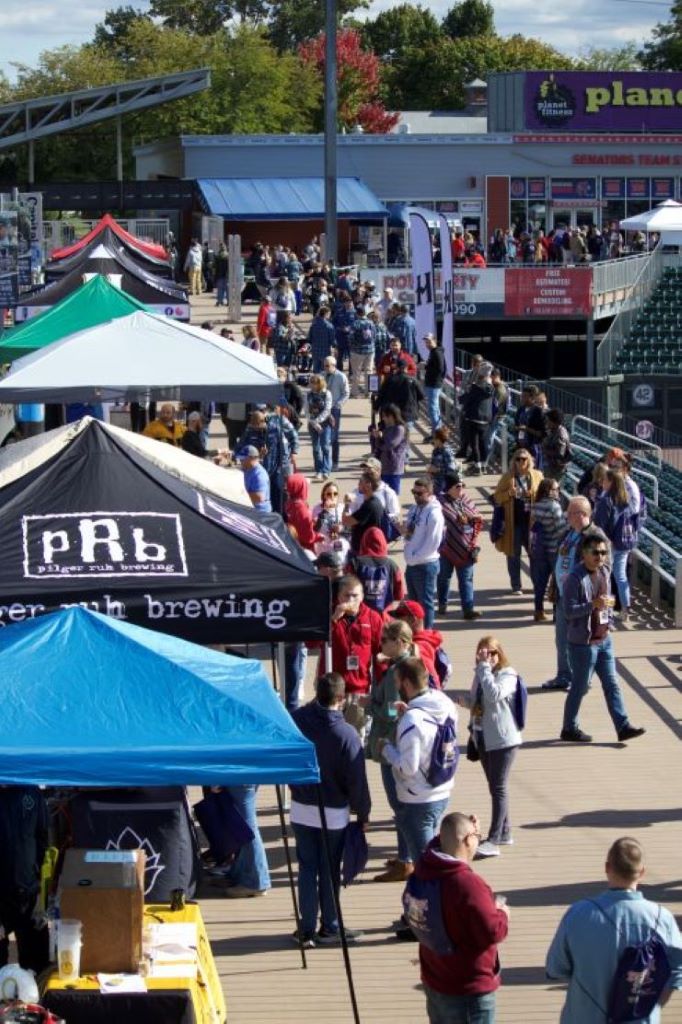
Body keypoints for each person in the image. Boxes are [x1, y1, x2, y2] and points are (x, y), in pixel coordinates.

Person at [546, 836, 682, 1023]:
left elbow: (556, 969)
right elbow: (677, 970)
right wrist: (655, 1005)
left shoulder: (577, 914)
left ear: (607, 868)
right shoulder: (661, 918)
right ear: (641, 872)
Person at [290, 672, 371, 947]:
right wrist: (363, 813)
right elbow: (357, 780)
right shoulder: (346, 734)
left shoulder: (297, 721)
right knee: (329, 870)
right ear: (341, 697)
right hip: (333, 813)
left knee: (306, 868)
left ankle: (306, 928)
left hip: (301, 807)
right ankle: (330, 926)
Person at [411, 811, 510, 1024]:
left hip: (435, 977)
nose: (478, 840)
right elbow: (492, 930)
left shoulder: (425, 866)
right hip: (466, 989)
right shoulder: (468, 885)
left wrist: (464, 829)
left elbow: (445, 839)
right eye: (477, 836)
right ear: (467, 841)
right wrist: (502, 913)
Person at [560, 530, 646, 744]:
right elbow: (568, 612)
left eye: (603, 552)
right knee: (580, 687)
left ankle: (623, 726)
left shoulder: (605, 571)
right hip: (583, 644)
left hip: (604, 639)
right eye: (595, 552)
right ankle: (569, 728)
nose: (600, 556)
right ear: (584, 553)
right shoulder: (574, 579)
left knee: (612, 684)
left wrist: (609, 611)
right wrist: (593, 605)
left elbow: (607, 601)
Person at [377, 658, 458, 872]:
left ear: (406, 683)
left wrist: (386, 748)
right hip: (442, 789)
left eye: (397, 681)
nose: (396, 686)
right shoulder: (444, 703)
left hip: (418, 798)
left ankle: (430, 894)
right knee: (433, 857)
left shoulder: (411, 721)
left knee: (425, 868)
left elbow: (408, 768)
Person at [460, 637, 522, 859]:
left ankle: (494, 840)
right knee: (495, 786)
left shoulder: (508, 674)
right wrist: (466, 702)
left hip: (504, 740)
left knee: (499, 788)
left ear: (500, 653)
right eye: (483, 653)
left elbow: (494, 695)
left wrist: (484, 668)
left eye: (492, 653)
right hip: (483, 737)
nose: (488, 657)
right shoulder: (481, 673)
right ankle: (505, 832)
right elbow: (480, 701)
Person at [367, 620, 416, 883]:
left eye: (385, 639)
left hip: (392, 743)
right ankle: (404, 855)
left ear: (400, 642)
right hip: (401, 741)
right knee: (401, 805)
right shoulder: (407, 665)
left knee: (399, 806)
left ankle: (406, 860)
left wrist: (368, 705)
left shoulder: (397, 671)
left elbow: (390, 711)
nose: (381, 643)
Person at [542, 496, 598, 692]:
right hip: (562, 596)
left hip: (581, 599)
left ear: (582, 514)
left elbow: (601, 568)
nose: (567, 516)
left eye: (571, 513)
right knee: (562, 640)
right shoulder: (569, 533)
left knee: (581, 641)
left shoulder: (594, 537)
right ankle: (564, 675)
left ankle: (582, 680)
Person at [0, 785, 49, 972]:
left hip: (28, 891)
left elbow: (42, 837)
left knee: (36, 964)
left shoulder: (32, 792)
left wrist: (35, 875)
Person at [327, 575, 384, 712]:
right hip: (331, 687)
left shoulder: (373, 617)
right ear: (338, 597)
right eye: (346, 595)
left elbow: (380, 653)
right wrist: (334, 619)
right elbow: (312, 643)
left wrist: (382, 687)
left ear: (362, 597)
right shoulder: (328, 614)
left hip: (359, 687)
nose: (351, 600)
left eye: (355, 595)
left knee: (356, 724)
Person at [492, 448, 543, 595]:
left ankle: (537, 583)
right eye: (518, 459)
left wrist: (533, 494)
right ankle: (516, 586)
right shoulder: (507, 477)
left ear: (529, 460)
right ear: (513, 461)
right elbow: (496, 497)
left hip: (532, 523)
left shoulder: (537, 475)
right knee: (513, 555)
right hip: (513, 523)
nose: (521, 462)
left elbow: (545, 494)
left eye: (524, 459)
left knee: (535, 555)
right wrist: (509, 493)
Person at [594, 469, 640, 626]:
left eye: (605, 480)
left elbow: (600, 526)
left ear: (611, 482)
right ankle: (625, 609)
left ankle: (607, 615)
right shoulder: (625, 498)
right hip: (625, 542)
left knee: (605, 579)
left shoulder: (606, 500)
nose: (602, 483)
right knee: (620, 576)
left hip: (609, 544)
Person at [437, 471, 483, 620]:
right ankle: (442, 605)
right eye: (457, 486)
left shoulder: (465, 499)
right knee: (444, 578)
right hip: (446, 547)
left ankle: (468, 610)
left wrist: (470, 518)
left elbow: (477, 517)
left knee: (466, 579)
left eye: (462, 485)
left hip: (467, 547)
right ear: (449, 488)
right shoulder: (440, 503)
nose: (461, 489)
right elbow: (441, 521)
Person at [401, 477, 445, 630]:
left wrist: (415, 556)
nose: (416, 496)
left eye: (419, 493)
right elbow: (410, 531)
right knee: (412, 604)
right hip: (412, 563)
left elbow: (433, 542)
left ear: (429, 493)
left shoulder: (434, 514)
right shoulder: (415, 508)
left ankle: (426, 634)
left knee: (425, 603)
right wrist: (404, 531)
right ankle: (414, 633)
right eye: (414, 492)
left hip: (426, 564)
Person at [529, 478, 567, 622]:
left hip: (540, 549)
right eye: (556, 489)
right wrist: (568, 522)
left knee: (541, 583)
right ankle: (557, 615)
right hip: (554, 549)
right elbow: (561, 530)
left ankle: (538, 611)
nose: (558, 492)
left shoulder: (536, 506)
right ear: (548, 491)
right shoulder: (554, 506)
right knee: (557, 582)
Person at [347, 526, 405, 614]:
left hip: (360, 614)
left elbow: (346, 587)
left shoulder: (355, 563)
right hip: (385, 614)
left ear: (364, 542)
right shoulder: (392, 565)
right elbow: (399, 594)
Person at [460, 361, 494, 475]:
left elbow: (466, 399)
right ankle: (484, 466)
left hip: (474, 417)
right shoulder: (491, 388)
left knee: (474, 444)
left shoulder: (475, 387)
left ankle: (477, 466)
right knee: (482, 443)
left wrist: (461, 399)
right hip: (486, 419)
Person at [343, 469, 385, 553]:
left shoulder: (369, 505)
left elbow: (346, 521)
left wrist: (347, 504)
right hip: (366, 548)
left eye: (361, 481)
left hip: (364, 551)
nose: (358, 484)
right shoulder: (375, 501)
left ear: (368, 485)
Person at [371, 404, 409, 496]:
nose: (383, 418)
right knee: (382, 493)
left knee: (392, 494)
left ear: (392, 416)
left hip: (394, 467)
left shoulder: (399, 429)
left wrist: (381, 437)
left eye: (385, 416)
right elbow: (379, 446)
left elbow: (390, 445)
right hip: (384, 466)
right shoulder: (387, 428)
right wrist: (377, 437)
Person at [323, 355, 349, 473]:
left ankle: (335, 462)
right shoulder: (322, 375)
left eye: (328, 366)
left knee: (334, 437)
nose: (326, 368)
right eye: (325, 366)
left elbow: (346, 393)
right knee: (323, 437)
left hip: (334, 409)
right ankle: (325, 463)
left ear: (334, 365)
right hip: (323, 409)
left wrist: (337, 405)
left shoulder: (341, 376)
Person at [285, 473, 322, 553]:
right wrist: (319, 536)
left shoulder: (290, 502)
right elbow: (308, 537)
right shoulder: (301, 509)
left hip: (294, 542)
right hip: (305, 548)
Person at [306, 374, 333, 481]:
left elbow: (327, 410)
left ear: (320, 383)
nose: (312, 385)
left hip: (324, 423)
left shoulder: (327, 394)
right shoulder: (308, 394)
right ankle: (318, 470)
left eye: (314, 383)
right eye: (311, 382)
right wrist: (313, 423)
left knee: (325, 446)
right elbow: (306, 410)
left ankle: (326, 470)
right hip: (312, 423)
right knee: (316, 448)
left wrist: (318, 421)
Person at [423, 334, 446, 441]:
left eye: (429, 342)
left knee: (432, 409)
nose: (427, 344)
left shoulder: (436, 352)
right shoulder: (434, 352)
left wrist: (426, 367)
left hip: (434, 384)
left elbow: (440, 369)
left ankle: (436, 434)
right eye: (426, 342)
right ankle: (438, 431)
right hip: (432, 383)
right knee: (435, 409)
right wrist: (427, 366)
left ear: (435, 341)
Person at [349, 306, 376, 398]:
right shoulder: (371, 323)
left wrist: (352, 346)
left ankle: (355, 392)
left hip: (357, 351)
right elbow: (374, 336)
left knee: (356, 372)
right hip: (370, 350)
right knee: (369, 371)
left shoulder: (355, 323)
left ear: (357, 314)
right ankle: (368, 392)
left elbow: (351, 337)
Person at [542, 408, 571, 482]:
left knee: (551, 486)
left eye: (548, 420)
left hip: (556, 469)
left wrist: (545, 451)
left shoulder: (560, 434)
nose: (547, 422)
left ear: (555, 422)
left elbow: (560, 453)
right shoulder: (553, 430)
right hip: (551, 465)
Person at [428, 426, 459, 496]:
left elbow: (451, 469)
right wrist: (430, 471)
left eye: (434, 438)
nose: (433, 441)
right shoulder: (436, 450)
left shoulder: (447, 451)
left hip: (444, 484)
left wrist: (437, 469)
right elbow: (433, 463)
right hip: (435, 482)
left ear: (439, 440)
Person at [240, 446, 272, 513]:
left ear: (251, 459)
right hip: (250, 509)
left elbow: (259, 497)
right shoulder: (247, 469)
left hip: (260, 513)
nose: (240, 461)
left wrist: (241, 495)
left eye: (242, 459)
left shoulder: (260, 475)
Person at [307, 305, 335, 373]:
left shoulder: (314, 324)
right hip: (325, 351)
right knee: (325, 370)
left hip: (315, 350)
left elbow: (309, 338)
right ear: (326, 314)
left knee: (316, 370)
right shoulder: (329, 326)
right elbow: (332, 340)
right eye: (329, 314)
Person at [214, 242, 228, 306]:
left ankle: (219, 301)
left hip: (219, 274)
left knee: (220, 289)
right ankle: (228, 301)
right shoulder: (228, 255)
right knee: (227, 289)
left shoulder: (218, 256)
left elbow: (215, 266)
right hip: (227, 275)